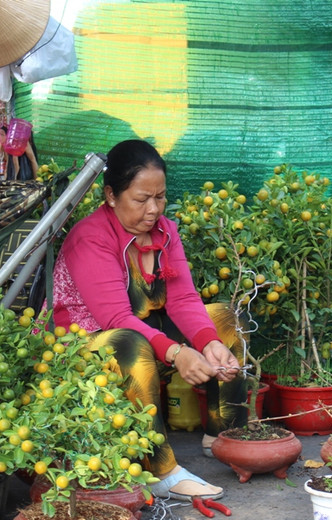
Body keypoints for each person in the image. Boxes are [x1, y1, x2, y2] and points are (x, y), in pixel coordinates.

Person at [51, 139, 248, 501]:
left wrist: (209, 344)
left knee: (220, 317)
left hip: (143, 331)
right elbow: (115, 318)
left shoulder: (165, 232)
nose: (154, 209)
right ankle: (160, 472)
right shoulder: (91, 238)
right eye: (141, 199)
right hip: (83, 346)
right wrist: (177, 353)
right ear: (111, 195)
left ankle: (225, 437)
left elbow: (184, 299)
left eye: (160, 197)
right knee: (130, 343)